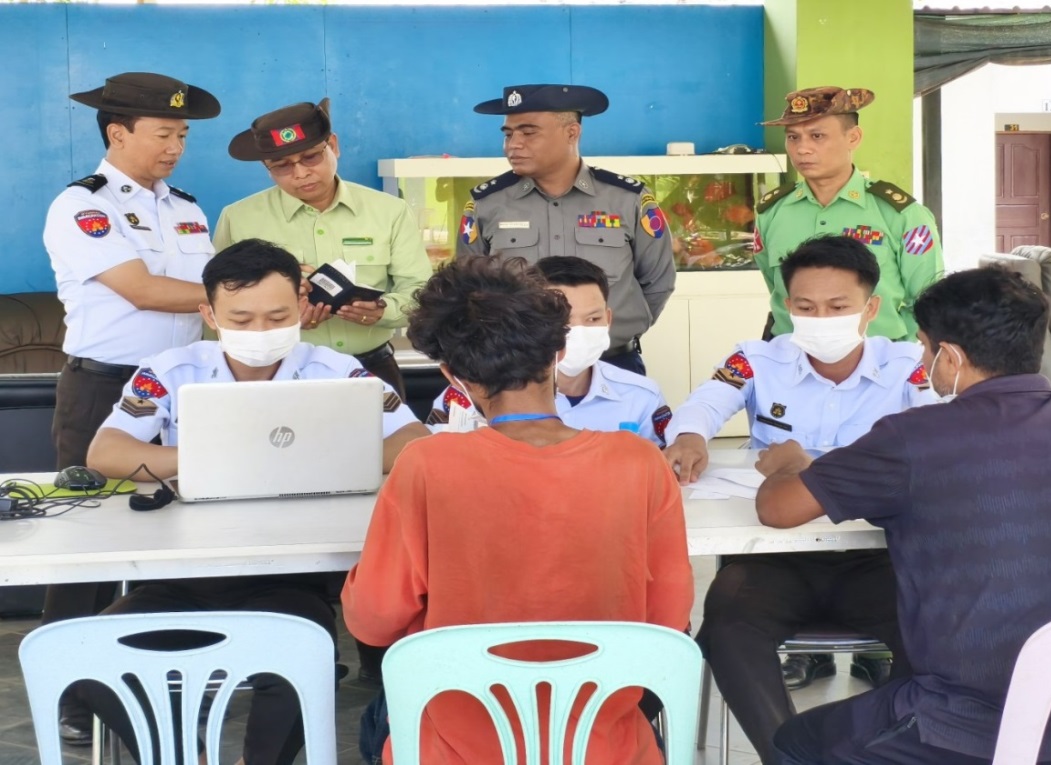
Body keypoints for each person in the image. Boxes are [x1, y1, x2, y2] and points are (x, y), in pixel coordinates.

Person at [761, 267, 1051, 765]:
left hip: (971, 728)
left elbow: (778, 509)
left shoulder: (913, 438)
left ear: (950, 357)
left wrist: (792, 464)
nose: (923, 362)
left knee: (796, 743)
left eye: (925, 349)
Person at [79, 239, 428, 765]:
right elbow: (106, 453)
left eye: (277, 317)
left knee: (303, 661)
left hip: (287, 578)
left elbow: (414, 441)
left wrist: (326, 460)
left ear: (302, 307)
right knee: (90, 660)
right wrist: (216, 457)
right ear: (209, 315)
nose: (260, 331)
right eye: (241, 319)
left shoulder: (337, 371)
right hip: (183, 574)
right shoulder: (171, 370)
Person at [342, 255, 693, 765]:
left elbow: (373, 620)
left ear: (452, 376)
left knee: (378, 715)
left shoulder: (425, 465)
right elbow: (667, 622)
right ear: (557, 352)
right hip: (603, 747)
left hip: (455, 748)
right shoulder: (640, 462)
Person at [661, 234, 934, 764]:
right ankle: (787, 758)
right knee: (727, 623)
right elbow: (704, 405)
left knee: (933, 628)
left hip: (878, 558)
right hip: (774, 558)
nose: (821, 319)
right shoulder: (757, 359)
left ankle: (883, 753)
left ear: (871, 308)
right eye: (806, 307)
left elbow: (939, 434)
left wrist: (808, 468)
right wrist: (690, 436)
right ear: (787, 306)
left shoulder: (906, 365)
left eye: (838, 307)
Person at [41, 70, 221, 745]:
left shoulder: (187, 208)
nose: (176, 147)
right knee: (84, 542)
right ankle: (69, 690)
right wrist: (245, 295)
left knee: (177, 532)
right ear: (118, 133)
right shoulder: (81, 206)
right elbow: (142, 290)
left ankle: (163, 674)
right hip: (103, 386)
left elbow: (199, 295)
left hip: (180, 388)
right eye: (163, 133)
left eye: (182, 135)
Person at [214, 98, 432, 399]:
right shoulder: (239, 218)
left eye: (310, 157)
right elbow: (220, 303)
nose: (300, 173)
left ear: (333, 146)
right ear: (267, 168)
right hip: (277, 373)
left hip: (372, 368)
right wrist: (283, 321)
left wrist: (383, 310)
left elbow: (420, 290)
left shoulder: (389, 211)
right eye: (282, 166)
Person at [457, 84, 676, 375]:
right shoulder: (487, 204)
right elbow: (469, 287)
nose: (513, 145)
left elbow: (658, 280)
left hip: (612, 364)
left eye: (528, 133)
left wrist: (613, 332)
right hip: (516, 369)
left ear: (572, 133)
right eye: (508, 134)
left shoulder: (626, 199)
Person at [754, 86, 943, 342]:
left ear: (853, 138)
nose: (802, 149)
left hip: (877, 357)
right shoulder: (772, 212)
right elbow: (777, 287)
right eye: (793, 137)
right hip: (791, 356)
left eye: (817, 136)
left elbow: (928, 300)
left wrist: (895, 352)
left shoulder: (901, 215)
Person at [427, 256, 673, 445]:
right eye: (565, 321)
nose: (577, 332)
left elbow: (663, 468)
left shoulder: (641, 396)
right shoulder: (472, 393)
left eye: (592, 319)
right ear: (537, 322)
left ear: (608, 320)